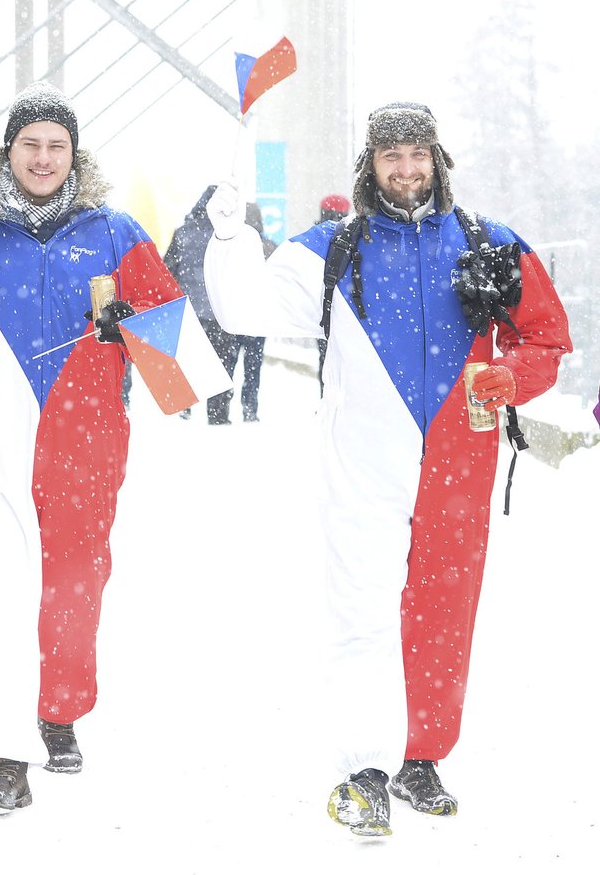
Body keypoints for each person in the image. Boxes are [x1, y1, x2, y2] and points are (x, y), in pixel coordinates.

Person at [203, 102, 571, 836]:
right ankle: (364, 770)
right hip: (363, 459)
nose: (406, 170)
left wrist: (510, 378)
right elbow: (243, 308)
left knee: (443, 612)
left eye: (418, 155)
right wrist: (228, 237)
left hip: (459, 462)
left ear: (438, 160)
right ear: (370, 166)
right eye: (390, 157)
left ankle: (420, 758)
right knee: (363, 612)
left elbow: (548, 339)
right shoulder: (332, 249)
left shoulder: (490, 244)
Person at [0, 81, 184, 815]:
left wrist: (136, 330)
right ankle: (4, 758)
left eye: (58, 146)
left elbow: (181, 366)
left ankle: (57, 711)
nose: (44, 158)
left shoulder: (116, 232)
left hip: (85, 451)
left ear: (74, 155)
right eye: (32, 144)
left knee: (72, 594)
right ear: (9, 151)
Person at [163, 187, 269, 423]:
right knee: (222, 364)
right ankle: (218, 415)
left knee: (190, 361)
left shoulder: (183, 234)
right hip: (221, 310)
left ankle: (185, 406)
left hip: (190, 311)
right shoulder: (230, 235)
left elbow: (168, 272)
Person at [314, 194, 351, 396]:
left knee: (325, 358)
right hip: (345, 309)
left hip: (322, 310)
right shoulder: (353, 236)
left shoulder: (316, 238)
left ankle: (326, 396)